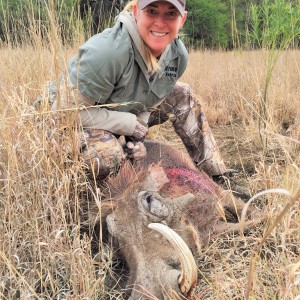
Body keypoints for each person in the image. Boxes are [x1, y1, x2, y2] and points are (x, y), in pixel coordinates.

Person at [50, 0, 249, 199]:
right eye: (152, 11)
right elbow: (64, 114)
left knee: (183, 94)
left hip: (120, 112)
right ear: (136, 12)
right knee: (108, 155)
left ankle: (219, 179)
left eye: (171, 14)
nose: (160, 23)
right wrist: (128, 125)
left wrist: (138, 136)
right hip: (68, 125)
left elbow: (153, 97)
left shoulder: (178, 56)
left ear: (182, 20)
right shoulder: (108, 52)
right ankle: (96, 202)